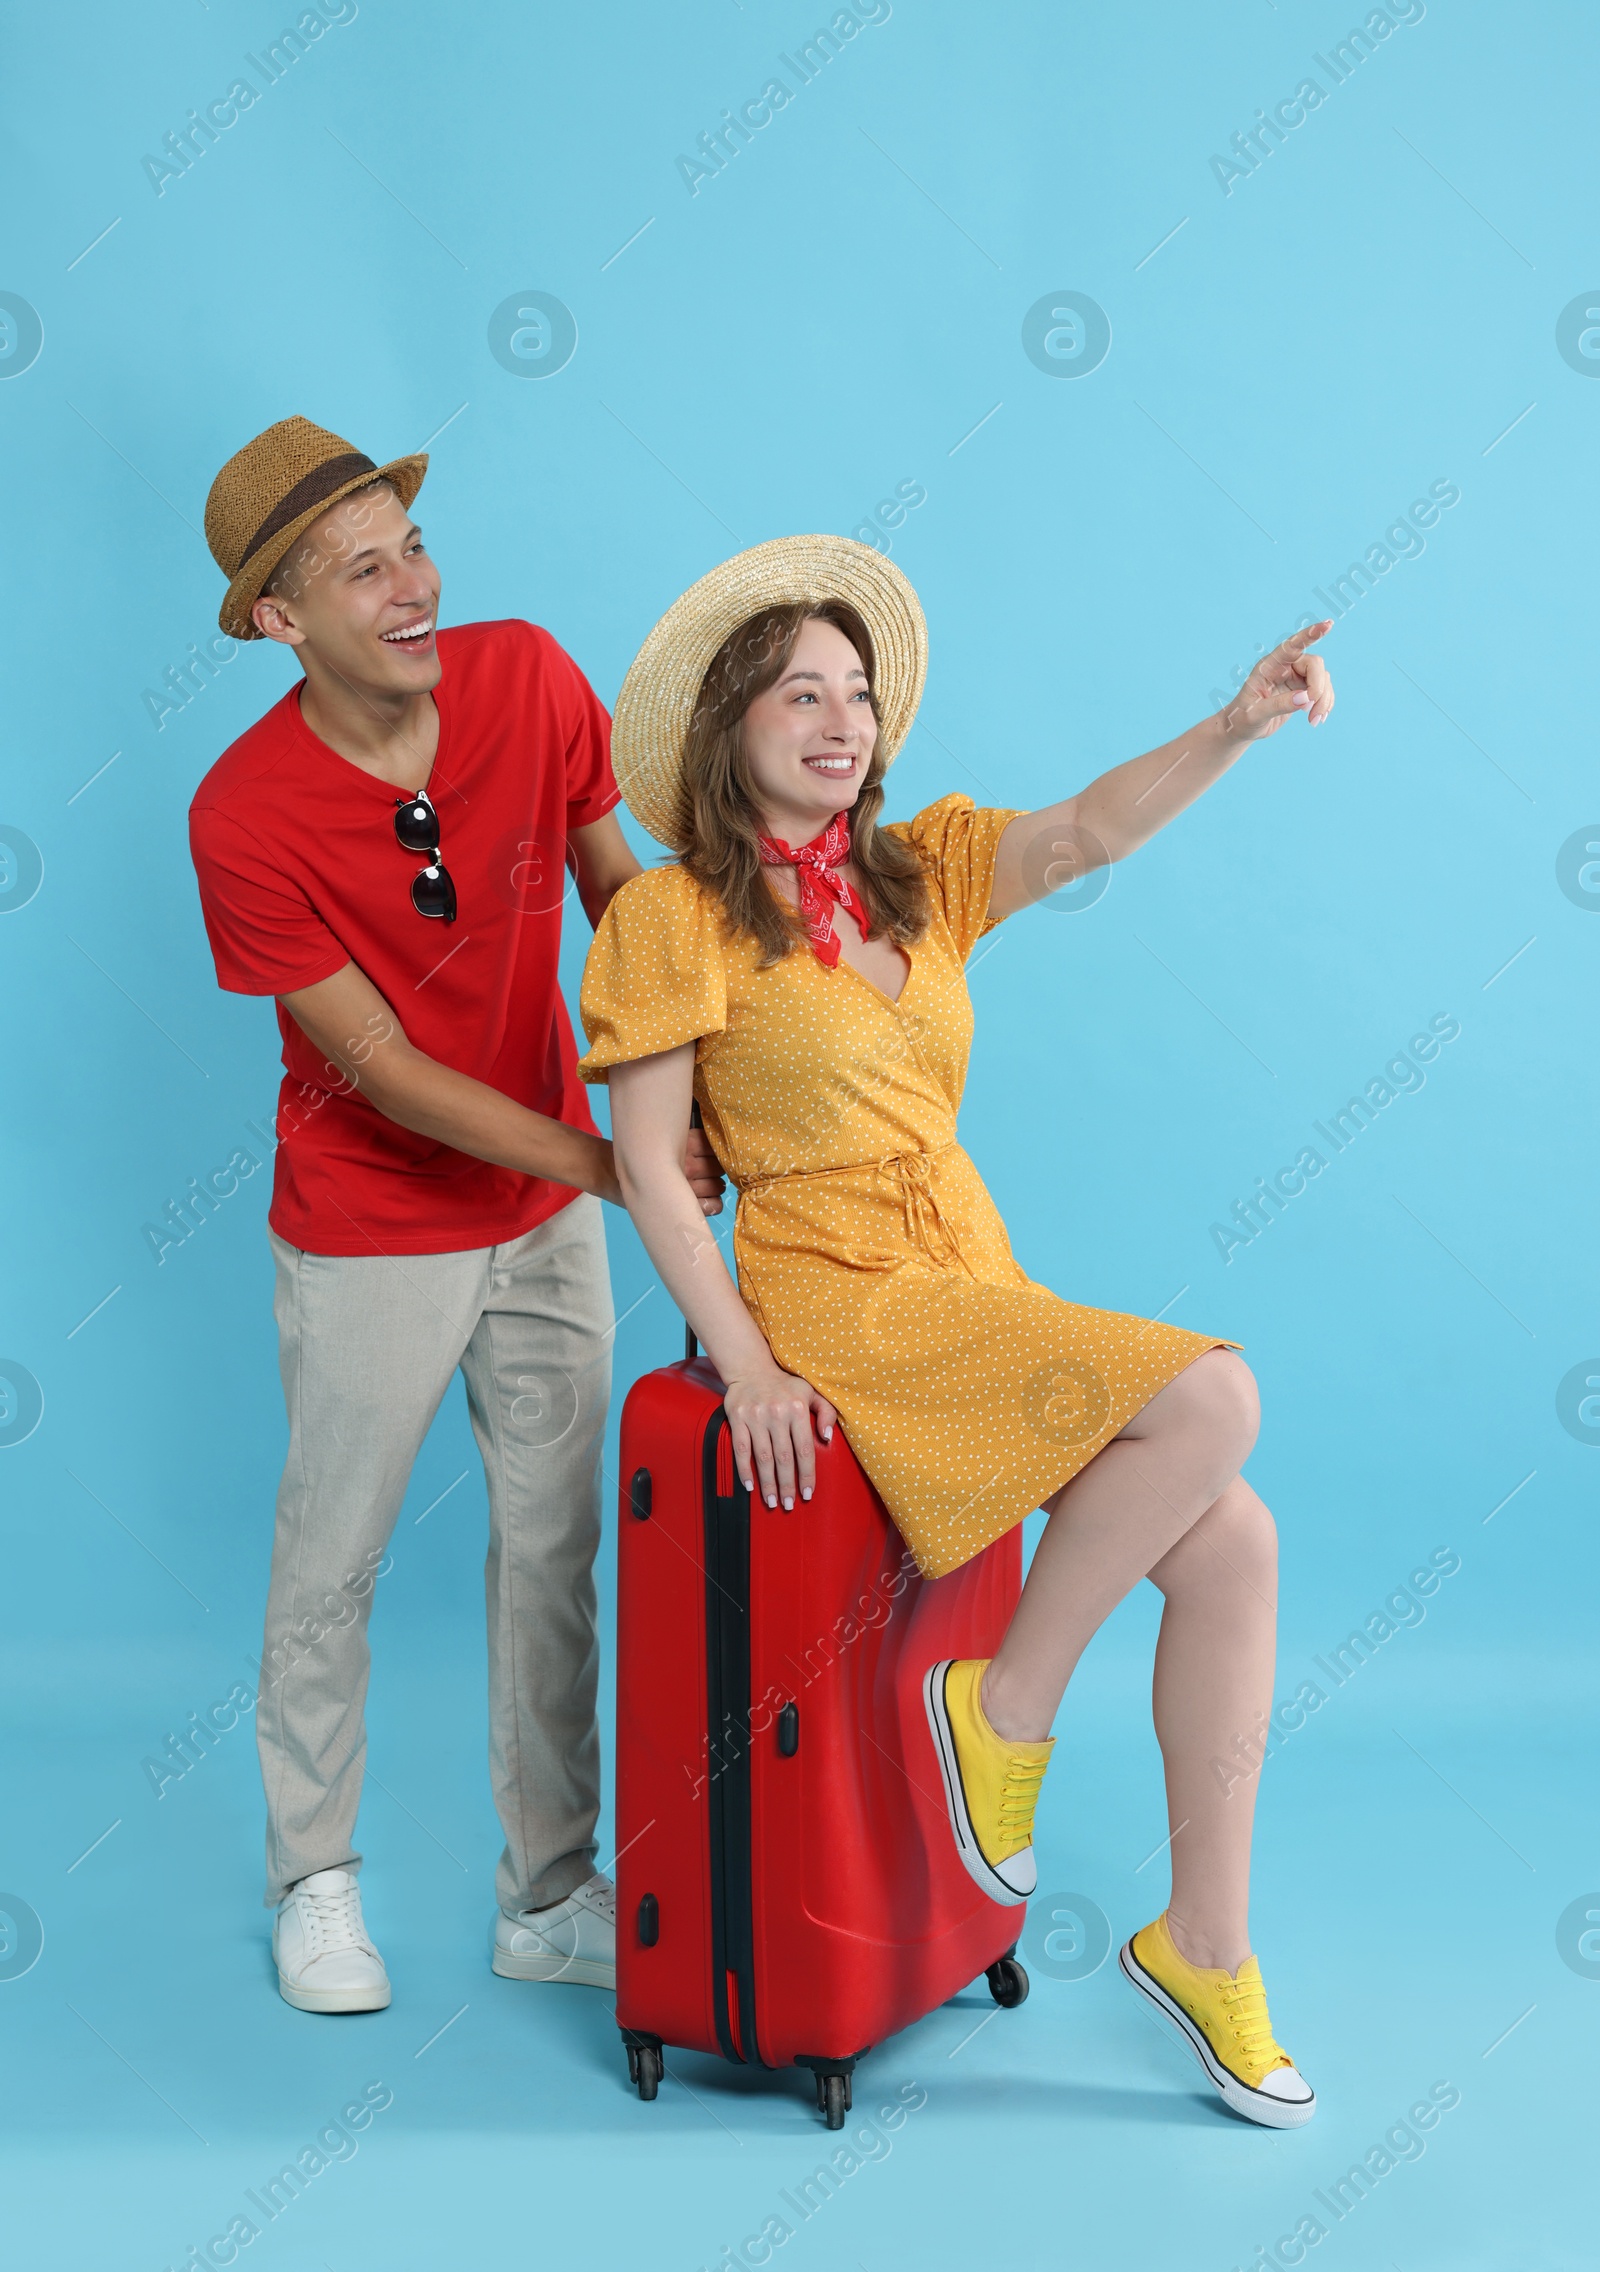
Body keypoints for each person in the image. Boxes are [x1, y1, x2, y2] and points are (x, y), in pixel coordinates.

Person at [577, 536, 1333, 2127]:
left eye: (856, 693)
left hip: (961, 1267)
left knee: (1237, 1543)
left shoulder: (920, 864)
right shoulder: (670, 915)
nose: (840, 720)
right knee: (1212, 1397)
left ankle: (1207, 1946)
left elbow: (1087, 826)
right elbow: (651, 1163)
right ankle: (1002, 1714)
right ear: (730, 725)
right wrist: (745, 1356)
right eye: (801, 691)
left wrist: (1236, 722)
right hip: (833, 1290)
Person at [187, 416, 723, 2013]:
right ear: (282, 621)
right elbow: (384, 1070)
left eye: (412, 546)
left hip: (548, 1210)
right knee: (330, 1569)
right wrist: (615, 1168)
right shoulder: (244, 815)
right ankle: (316, 1883)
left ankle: (548, 1893)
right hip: (369, 1229)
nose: (414, 586)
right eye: (365, 569)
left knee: (557, 1552)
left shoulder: (530, 677)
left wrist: (716, 1072)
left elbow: (620, 895)